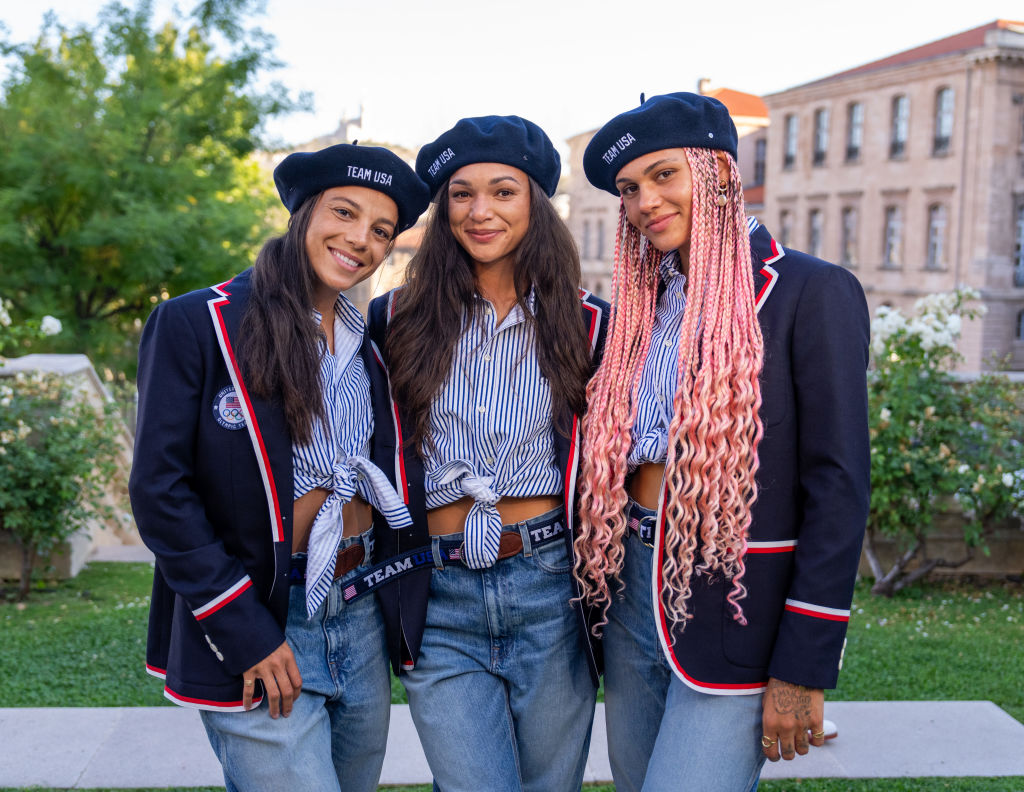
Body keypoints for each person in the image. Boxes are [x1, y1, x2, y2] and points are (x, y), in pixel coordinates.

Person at [575, 92, 870, 792]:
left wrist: (803, 666)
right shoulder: (639, 310)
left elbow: (838, 487)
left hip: (735, 603)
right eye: (629, 189)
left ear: (719, 174)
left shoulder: (809, 291)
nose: (644, 201)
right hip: (628, 591)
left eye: (662, 175)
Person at [128, 143, 429, 792]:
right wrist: (244, 630)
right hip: (262, 613)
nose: (360, 239)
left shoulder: (369, 346)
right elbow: (159, 492)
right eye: (344, 213)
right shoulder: (197, 324)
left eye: (381, 231)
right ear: (301, 214)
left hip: (357, 613)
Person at [363, 115, 609, 792]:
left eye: (502, 191)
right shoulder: (393, 321)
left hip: (550, 586)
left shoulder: (593, 325)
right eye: (461, 194)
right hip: (438, 595)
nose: (480, 211)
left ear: (535, 202)